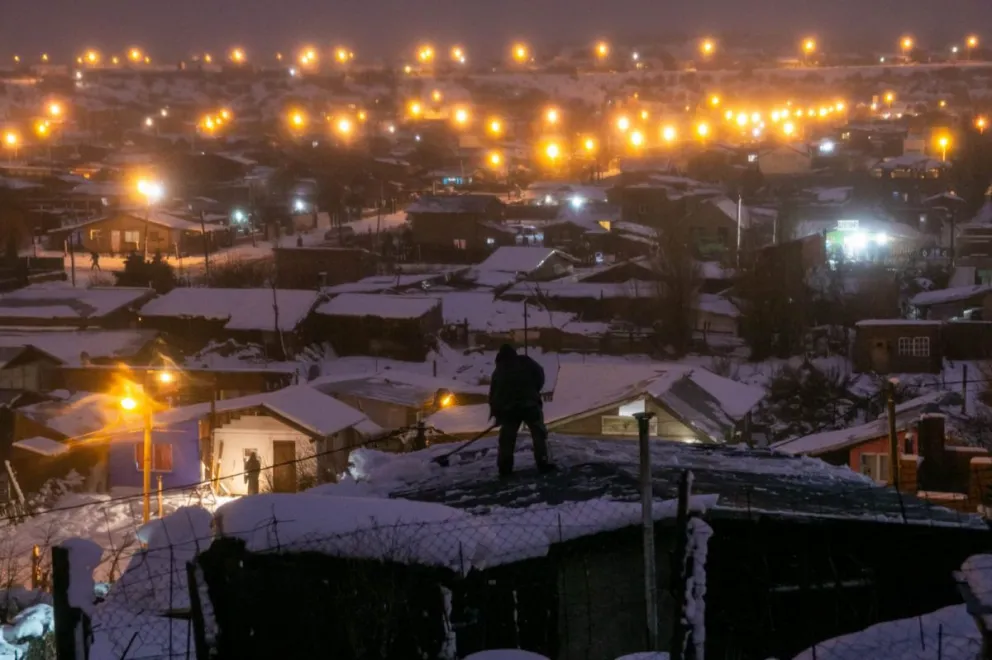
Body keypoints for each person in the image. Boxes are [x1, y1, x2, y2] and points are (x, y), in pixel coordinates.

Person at [488, 344, 554, 477]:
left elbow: (494, 395)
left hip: (509, 410)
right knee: (538, 434)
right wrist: (535, 391)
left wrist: (496, 413)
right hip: (530, 406)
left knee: (507, 438)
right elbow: (540, 374)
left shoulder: (499, 370)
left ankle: (505, 468)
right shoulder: (525, 361)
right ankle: (542, 462)